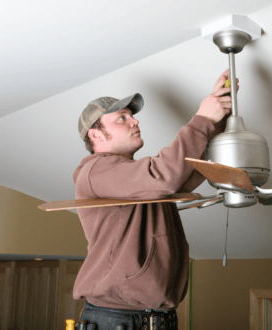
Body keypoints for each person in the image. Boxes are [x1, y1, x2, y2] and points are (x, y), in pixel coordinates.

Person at [73, 70, 237, 330]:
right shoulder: (95, 171)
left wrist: (217, 117)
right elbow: (165, 176)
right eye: (122, 118)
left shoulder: (133, 179)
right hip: (117, 319)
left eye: (133, 116)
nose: (134, 122)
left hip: (156, 318)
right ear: (96, 135)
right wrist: (202, 119)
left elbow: (187, 173)